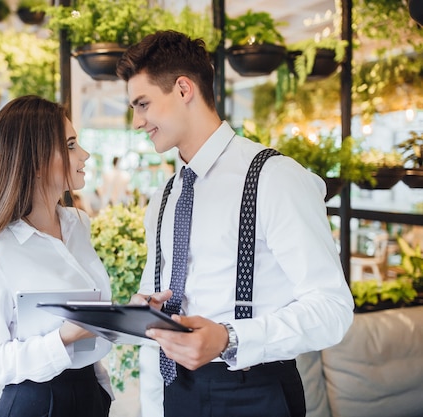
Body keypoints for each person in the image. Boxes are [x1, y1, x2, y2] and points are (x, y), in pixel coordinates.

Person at [116, 31, 354, 417]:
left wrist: (230, 338)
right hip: (175, 391)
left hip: (255, 392)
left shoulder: (274, 177)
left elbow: (333, 309)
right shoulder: (164, 197)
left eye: (142, 104)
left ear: (183, 89)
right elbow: (154, 292)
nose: (137, 122)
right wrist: (146, 309)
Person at [0, 95, 113, 417]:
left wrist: (132, 315)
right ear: (36, 161)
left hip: (90, 393)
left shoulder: (78, 225)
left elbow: (92, 315)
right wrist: (64, 337)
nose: (84, 155)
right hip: (39, 403)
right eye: (70, 145)